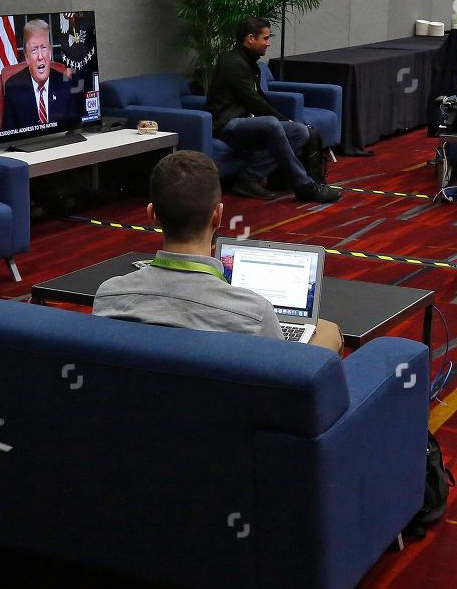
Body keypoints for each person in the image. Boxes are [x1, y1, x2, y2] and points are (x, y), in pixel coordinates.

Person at [93, 151, 342, 351]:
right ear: (218, 215)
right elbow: (283, 380)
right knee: (328, 332)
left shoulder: (108, 297)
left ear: (152, 216)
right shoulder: (255, 315)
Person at [206, 18, 341, 203]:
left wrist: (288, 122)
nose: (268, 43)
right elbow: (253, 101)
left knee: (300, 132)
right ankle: (304, 186)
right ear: (251, 38)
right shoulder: (232, 63)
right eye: (265, 38)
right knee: (272, 124)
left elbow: (259, 98)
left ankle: (249, 177)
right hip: (226, 125)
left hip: (246, 121)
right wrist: (281, 119)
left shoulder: (250, 62)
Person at [2, 19, 76, 130]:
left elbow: (75, 127)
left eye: (44, 48)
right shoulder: (13, 87)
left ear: (50, 52)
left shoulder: (65, 83)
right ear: (27, 57)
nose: (40, 57)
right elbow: (8, 134)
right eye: (34, 50)